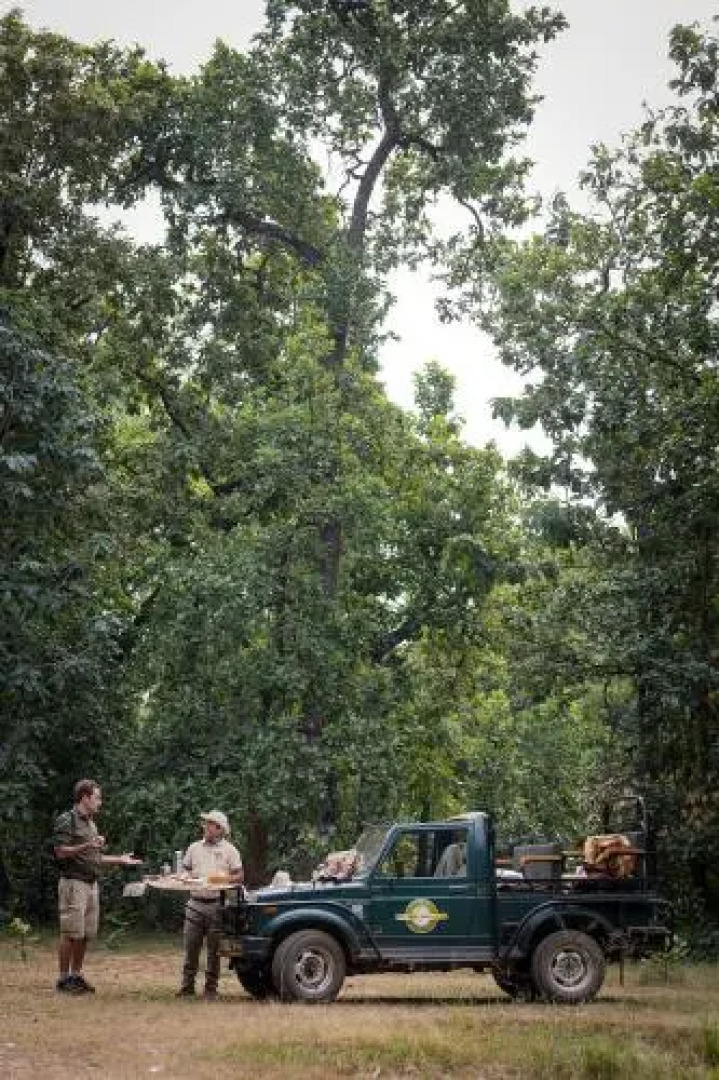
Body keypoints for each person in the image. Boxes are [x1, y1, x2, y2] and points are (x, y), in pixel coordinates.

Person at [52, 778, 142, 993]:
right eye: (97, 798)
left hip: (91, 884)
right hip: (73, 883)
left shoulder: (91, 824)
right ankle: (63, 979)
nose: (100, 802)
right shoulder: (68, 820)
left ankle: (77, 976)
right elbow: (60, 851)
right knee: (70, 932)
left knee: (85, 934)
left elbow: (95, 858)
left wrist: (120, 860)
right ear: (85, 797)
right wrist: (88, 844)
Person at [177, 810, 243, 1000]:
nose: (204, 826)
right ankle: (187, 987)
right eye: (205, 823)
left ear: (219, 829)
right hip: (195, 903)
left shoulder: (230, 850)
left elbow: (239, 876)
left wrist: (223, 879)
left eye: (209, 824)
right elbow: (185, 870)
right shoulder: (194, 847)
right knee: (191, 946)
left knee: (214, 951)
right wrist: (185, 876)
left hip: (217, 904)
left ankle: (211, 989)